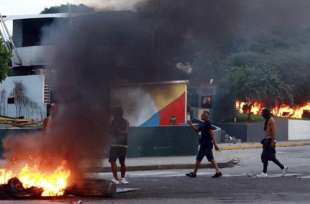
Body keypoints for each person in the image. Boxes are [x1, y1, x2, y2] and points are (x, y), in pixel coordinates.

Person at [186, 110, 222, 178]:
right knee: (209, 159)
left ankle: (194, 173)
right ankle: (218, 172)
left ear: (206, 116)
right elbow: (197, 131)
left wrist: (215, 145)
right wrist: (191, 125)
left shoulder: (208, 123)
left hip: (207, 145)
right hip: (204, 144)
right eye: (202, 114)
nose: (201, 115)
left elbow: (212, 134)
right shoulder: (203, 123)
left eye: (203, 115)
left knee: (201, 159)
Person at [257, 108, 288, 177]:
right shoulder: (268, 120)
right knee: (270, 157)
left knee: (265, 156)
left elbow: (273, 132)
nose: (262, 115)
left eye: (263, 113)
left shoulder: (271, 120)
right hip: (267, 140)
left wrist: (273, 141)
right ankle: (283, 168)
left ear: (266, 113)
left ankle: (264, 173)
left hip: (270, 141)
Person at [109, 107, 129, 184]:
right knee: (122, 162)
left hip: (115, 145)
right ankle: (122, 178)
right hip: (123, 145)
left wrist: (116, 131)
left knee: (113, 161)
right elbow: (125, 131)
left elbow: (124, 132)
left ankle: (116, 178)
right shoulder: (125, 122)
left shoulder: (113, 122)